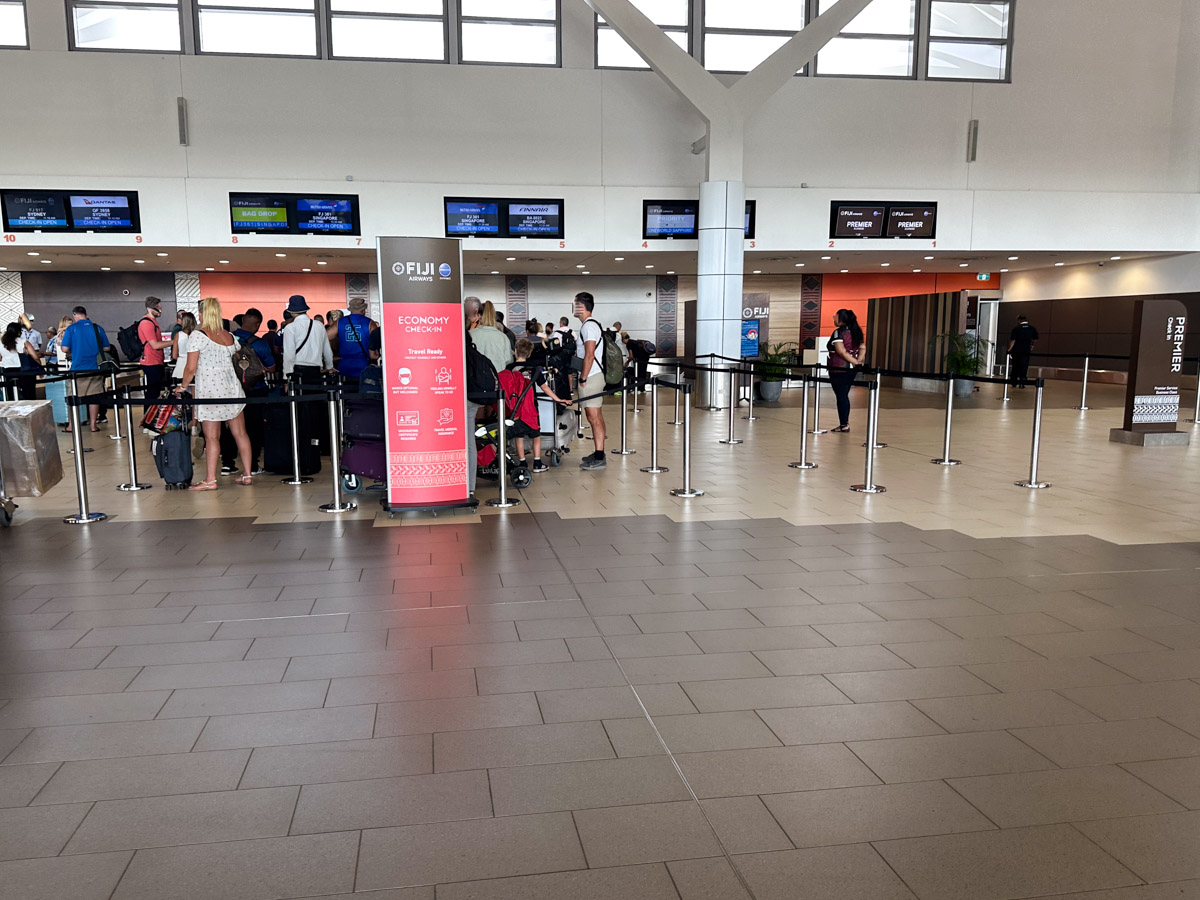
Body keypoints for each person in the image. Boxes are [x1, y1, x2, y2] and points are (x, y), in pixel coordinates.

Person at [174, 298, 254, 491]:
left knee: (212, 437)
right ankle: (248, 474)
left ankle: (210, 479)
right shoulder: (229, 336)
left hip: (210, 391)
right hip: (232, 389)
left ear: (202, 313)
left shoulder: (198, 335)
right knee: (241, 434)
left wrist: (183, 386)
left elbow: (191, 368)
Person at [221, 307, 275, 476]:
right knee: (253, 428)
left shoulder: (227, 339)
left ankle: (227, 464)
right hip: (255, 391)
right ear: (258, 324)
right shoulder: (259, 344)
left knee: (228, 426)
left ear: (242, 321)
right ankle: (251, 465)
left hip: (230, 389)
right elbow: (272, 368)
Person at [509, 338, 570, 473]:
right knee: (536, 433)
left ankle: (523, 462)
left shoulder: (509, 368)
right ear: (530, 354)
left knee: (519, 435)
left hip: (515, 407)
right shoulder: (534, 369)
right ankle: (537, 462)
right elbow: (545, 388)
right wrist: (558, 399)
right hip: (530, 406)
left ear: (515, 351)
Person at [59, 305, 112, 433]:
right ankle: (93, 425)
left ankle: (71, 425)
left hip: (78, 368)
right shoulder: (97, 328)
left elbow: (64, 349)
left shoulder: (72, 328)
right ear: (86, 315)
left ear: (74, 315)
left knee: (74, 396)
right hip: (96, 367)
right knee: (94, 397)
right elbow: (107, 348)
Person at [573, 291, 607, 469]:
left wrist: (583, 378)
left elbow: (589, 354)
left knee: (593, 417)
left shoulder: (588, 327)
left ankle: (600, 457)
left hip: (591, 376)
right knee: (596, 416)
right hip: (593, 375)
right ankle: (599, 452)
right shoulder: (590, 325)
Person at [827, 308, 866, 433]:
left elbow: (841, 351)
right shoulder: (856, 332)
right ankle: (844, 423)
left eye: (835, 316)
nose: (833, 318)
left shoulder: (839, 332)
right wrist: (857, 361)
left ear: (841, 319)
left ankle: (844, 424)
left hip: (839, 369)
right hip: (850, 371)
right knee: (844, 395)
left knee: (841, 396)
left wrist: (854, 362)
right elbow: (862, 348)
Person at [281, 295, 333, 384]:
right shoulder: (319, 325)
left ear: (291, 312)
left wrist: (286, 377)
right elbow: (327, 351)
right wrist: (329, 367)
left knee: (300, 397)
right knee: (315, 397)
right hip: (316, 371)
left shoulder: (290, 328)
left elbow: (289, 355)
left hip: (298, 371)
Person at [137, 297, 173, 411]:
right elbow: (155, 345)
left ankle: (150, 418)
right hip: (151, 362)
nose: (160, 311)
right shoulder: (147, 323)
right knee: (152, 392)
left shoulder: (152, 322)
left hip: (156, 361)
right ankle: (148, 419)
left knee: (154, 391)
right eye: (157, 308)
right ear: (149, 308)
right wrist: (174, 341)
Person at [335, 297, 374, 386]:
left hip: (344, 363)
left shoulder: (340, 322)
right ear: (363, 310)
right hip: (363, 364)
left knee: (345, 394)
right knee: (363, 394)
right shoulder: (370, 323)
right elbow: (376, 341)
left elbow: (327, 336)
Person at [2, 322, 42, 400]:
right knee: (29, 395)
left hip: (8, 371)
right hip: (24, 370)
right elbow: (35, 356)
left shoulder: (2, 343)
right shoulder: (23, 341)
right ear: (18, 332)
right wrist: (39, 367)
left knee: (12, 395)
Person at [472, 300, 513, 374]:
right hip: (497, 379)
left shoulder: (470, 335)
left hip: (476, 380)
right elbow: (508, 360)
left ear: (479, 316)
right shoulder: (503, 337)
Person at [1008, 314, 1039, 387]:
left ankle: (1014, 382)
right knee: (1024, 366)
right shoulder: (1031, 328)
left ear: (1019, 320)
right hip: (1026, 351)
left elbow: (1013, 340)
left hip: (1016, 351)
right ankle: (1022, 382)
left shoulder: (1016, 329)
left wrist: (1009, 349)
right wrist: (1032, 345)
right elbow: (1035, 338)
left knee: (1015, 366)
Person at [172, 311, 196, 383]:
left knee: (181, 391)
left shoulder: (178, 335)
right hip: (194, 364)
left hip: (181, 365)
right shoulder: (197, 335)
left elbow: (174, 356)